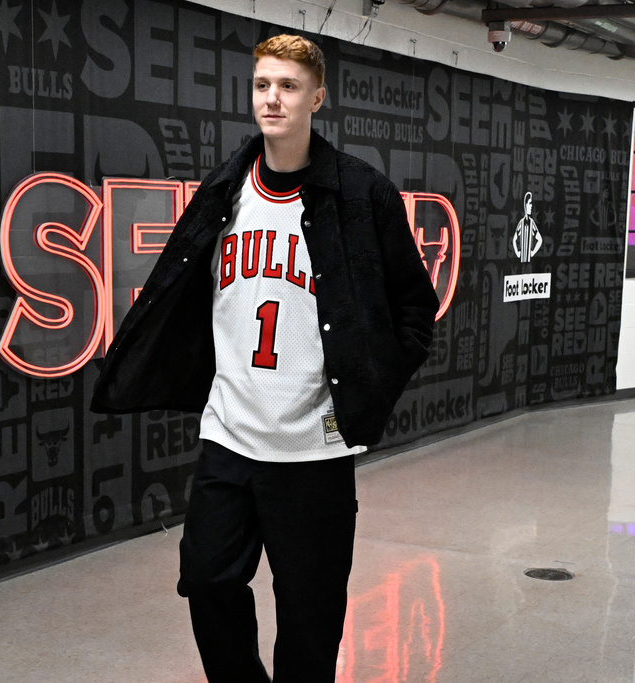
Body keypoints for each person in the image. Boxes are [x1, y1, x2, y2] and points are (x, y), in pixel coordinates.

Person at [91, 35, 438, 681]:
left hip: (314, 448)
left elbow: (416, 311)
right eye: (261, 85)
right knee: (205, 579)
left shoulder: (361, 194)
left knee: (309, 616)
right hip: (230, 434)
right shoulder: (226, 189)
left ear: (317, 97)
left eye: (288, 86)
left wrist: (372, 387)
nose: (272, 98)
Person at [512, 191, 542, 263]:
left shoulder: (532, 223)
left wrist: (533, 252)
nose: (531, 206)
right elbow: (514, 239)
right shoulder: (521, 223)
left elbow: (540, 239)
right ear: (525, 205)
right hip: (521, 262)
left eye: (531, 204)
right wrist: (517, 253)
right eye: (530, 203)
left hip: (529, 263)